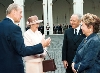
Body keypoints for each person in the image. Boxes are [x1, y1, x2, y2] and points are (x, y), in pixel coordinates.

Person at [0, 3, 51, 73]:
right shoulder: (15, 28)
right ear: (14, 12)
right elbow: (22, 51)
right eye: (20, 12)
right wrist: (41, 45)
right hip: (13, 68)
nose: (22, 15)